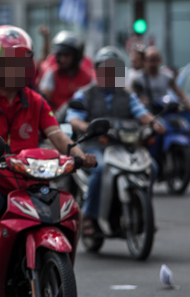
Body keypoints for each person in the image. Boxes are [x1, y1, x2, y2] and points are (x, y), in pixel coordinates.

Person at [0, 25, 97, 297]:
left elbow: (57, 135)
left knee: (71, 207)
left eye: (20, 63)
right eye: (8, 63)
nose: (15, 69)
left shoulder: (35, 101)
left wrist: (80, 155)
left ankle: (55, 265)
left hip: (29, 179)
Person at [65, 47, 166, 237]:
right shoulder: (85, 94)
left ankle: (142, 211)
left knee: (151, 167)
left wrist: (154, 123)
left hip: (123, 146)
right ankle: (89, 216)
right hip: (94, 145)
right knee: (100, 169)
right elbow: (73, 118)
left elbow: (141, 114)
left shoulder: (127, 95)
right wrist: (86, 126)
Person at [39, 30, 94, 110]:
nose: (62, 59)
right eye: (60, 55)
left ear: (76, 56)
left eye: (66, 55)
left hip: (80, 119)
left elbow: (94, 99)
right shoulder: (52, 73)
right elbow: (44, 97)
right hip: (55, 119)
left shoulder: (87, 77)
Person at [131, 46, 190, 113]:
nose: (151, 63)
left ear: (160, 60)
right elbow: (133, 98)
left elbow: (179, 93)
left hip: (163, 112)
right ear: (145, 61)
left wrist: (188, 104)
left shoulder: (166, 77)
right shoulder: (138, 79)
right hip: (147, 114)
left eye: (154, 59)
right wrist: (141, 101)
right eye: (149, 60)